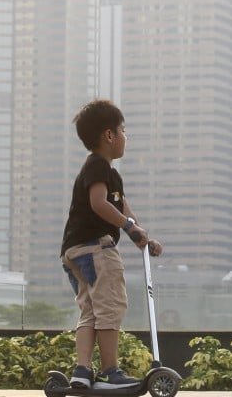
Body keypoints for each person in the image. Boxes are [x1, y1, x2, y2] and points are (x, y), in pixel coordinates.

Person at [60, 99, 163, 389]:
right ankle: (109, 372)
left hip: (74, 252)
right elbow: (99, 204)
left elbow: (122, 209)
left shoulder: (108, 174)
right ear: (109, 135)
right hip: (95, 249)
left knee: (91, 311)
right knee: (111, 306)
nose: (125, 137)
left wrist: (141, 236)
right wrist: (129, 227)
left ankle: (82, 372)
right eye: (123, 130)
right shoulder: (97, 167)